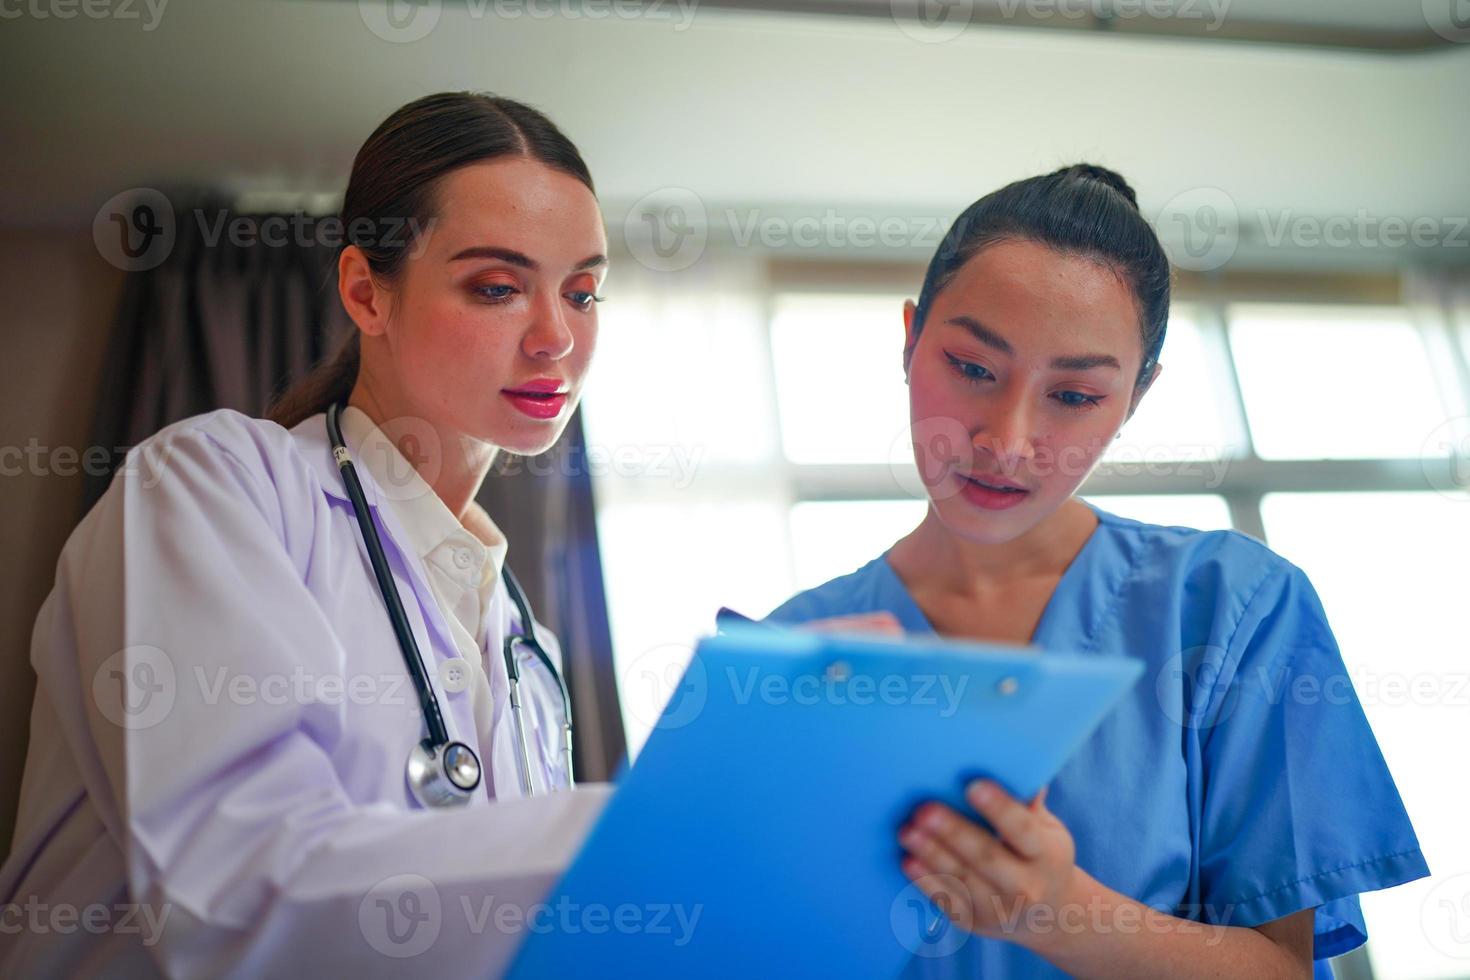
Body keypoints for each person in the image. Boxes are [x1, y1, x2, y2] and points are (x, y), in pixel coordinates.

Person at [765, 164, 1428, 979]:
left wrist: (1058, 912)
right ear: (909, 341)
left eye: (1074, 395)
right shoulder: (791, 646)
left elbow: (1284, 972)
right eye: (973, 368)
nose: (1006, 441)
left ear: (1137, 396)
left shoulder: (1232, 608)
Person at [0, 92, 611, 976]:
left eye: (584, 291)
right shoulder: (215, 488)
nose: (556, 337)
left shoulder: (527, 648)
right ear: (367, 291)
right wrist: (654, 818)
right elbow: (246, 894)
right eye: (498, 287)